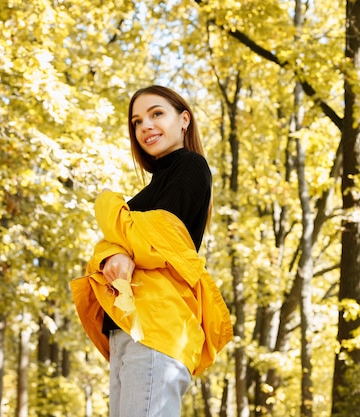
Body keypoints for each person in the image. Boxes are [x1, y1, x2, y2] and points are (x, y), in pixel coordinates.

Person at [70, 85, 233, 417]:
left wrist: (107, 205)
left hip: (159, 326)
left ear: (183, 119)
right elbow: (122, 244)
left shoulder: (191, 166)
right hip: (128, 328)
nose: (145, 125)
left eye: (157, 113)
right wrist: (113, 253)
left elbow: (153, 242)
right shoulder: (150, 192)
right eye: (137, 121)